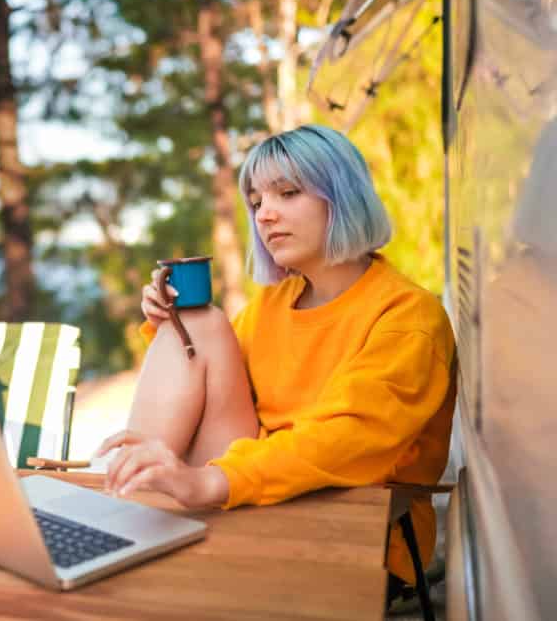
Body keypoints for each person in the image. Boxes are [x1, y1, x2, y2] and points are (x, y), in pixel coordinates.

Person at [96, 124, 456, 589]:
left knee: (202, 324)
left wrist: (209, 482)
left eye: (287, 193)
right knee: (200, 322)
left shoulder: (408, 316)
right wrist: (169, 322)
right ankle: (128, 509)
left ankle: (133, 534)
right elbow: (200, 389)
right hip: (255, 489)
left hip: (355, 518)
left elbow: (344, 440)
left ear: (342, 197)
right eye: (257, 202)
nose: (265, 215)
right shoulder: (271, 306)